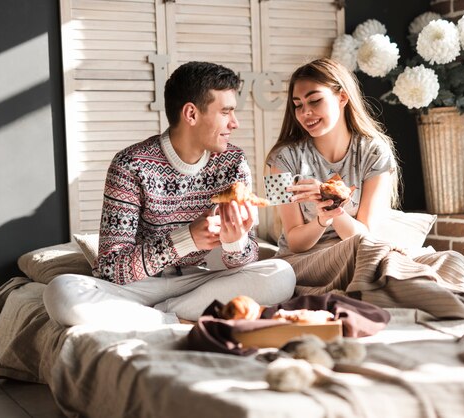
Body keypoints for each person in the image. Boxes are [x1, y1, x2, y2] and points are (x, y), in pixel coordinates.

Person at [44, 61, 295, 326]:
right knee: (60, 292)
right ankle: (180, 317)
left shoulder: (233, 161)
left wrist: (235, 243)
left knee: (281, 274)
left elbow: (246, 260)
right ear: (191, 114)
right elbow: (109, 270)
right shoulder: (130, 165)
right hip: (140, 284)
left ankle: (164, 315)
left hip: (202, 282)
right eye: (226, 112)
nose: (235, 123)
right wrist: (186, 240)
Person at [265, 58, 464, 304]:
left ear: (342, 97)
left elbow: (364, 232)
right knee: (368, 252)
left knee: (450, 259)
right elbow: (294, 241)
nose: (305, 113)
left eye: (314, 100)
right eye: (297, 105)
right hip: (304, 261)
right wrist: (323, 219)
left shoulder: (377, 152)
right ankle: (457, 304)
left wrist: (333, 208)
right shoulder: (278, 161)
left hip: (362, 250)